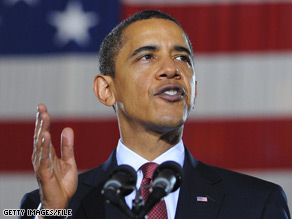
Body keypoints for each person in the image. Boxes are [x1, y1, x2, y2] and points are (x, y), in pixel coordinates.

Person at [20, 10, 290, 219]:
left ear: (193, 90)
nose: (171, 69)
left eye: (182, 57)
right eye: (147, 56)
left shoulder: (258, 203)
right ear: (106, 90)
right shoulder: (44, 204)